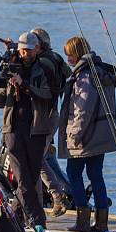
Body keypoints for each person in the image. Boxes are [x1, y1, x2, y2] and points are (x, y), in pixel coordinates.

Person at [0, 31, 53, 229]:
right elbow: (3, 102)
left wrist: (24, 84)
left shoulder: (43, 69)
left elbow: (47, 95)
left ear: (37, 50)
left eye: (30, 51)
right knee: (22, 177)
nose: (26, 54)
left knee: (30, 178)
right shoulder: (10, 68)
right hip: (13, 130)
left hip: (36, 130)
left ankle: (14, 218)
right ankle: (39, 220)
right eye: (23, 51)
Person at [57, 36, 116, 232]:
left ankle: (83, 220)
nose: (67, 58)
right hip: (100, 135)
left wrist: (74, 136)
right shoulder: (100, 71)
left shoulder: (85, 76)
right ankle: (101, 222)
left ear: (76, 54)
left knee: (73, 173)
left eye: (69, 54)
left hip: (85, 137)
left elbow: (82, 111)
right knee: (96, 175)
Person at [30, 27, 72, 217]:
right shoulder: (55, 59)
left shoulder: (42, 63)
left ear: (39, 45)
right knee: (44, 157)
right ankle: (66, 193)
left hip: (43, 117)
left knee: (36, 158)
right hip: (52, 114)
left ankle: (59, 194)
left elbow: (36, 85)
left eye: (32, 44)